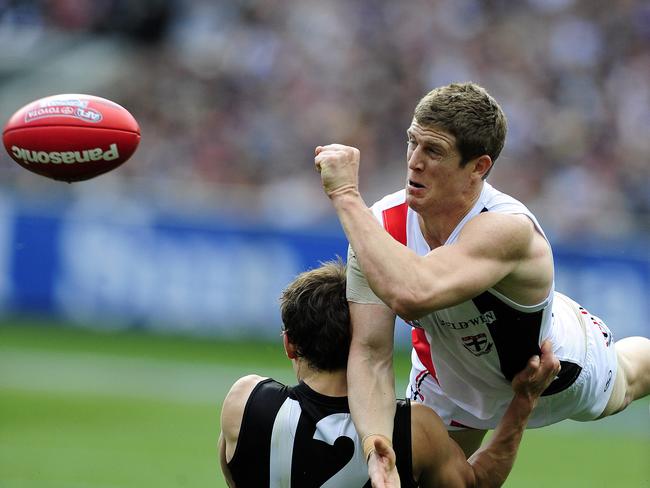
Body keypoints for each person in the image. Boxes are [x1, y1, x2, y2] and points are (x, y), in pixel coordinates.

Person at [314, 81, 650, 486]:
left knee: (628, 379)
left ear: (479, 167)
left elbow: (413, 294)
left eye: (433, 151)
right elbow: (370, 352)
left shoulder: (507, 228)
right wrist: (375, 444)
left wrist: (347, 196)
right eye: (412, 142)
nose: (414, 162)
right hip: (450, 378)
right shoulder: (381, 224)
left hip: (549, 371)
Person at [218, 260, 561, 487]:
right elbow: (474, 483)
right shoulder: (414, 429)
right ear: (370, 338)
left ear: (290, 345)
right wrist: (523, 402)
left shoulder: (245, 402)